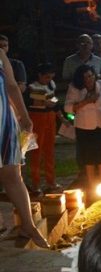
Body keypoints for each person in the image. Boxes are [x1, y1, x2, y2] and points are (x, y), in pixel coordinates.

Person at [0, 49, 48, 248]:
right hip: (4, 119)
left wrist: (25, 117)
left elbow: (12, 86)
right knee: (12, 175)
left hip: (4, 121)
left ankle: (28, 225)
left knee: (13, 174)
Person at [64, 64, 101, 191]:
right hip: (84, 127)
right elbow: (68, 108)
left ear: (94, 75)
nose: (88, 79)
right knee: (88, 157)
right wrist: (86, 101)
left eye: (90, 76)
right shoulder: (75, 88)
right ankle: (92, 185)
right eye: (85, 77)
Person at [24, 62, 60, 194]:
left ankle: (51, 181)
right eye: (46, 77)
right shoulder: (32, 87)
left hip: (49, 118)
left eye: (51, 77)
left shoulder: (51, 84)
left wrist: (52, 105)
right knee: (36, 152)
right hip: (37, 119)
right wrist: (47, 101)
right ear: (39, 75)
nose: (49, 80)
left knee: (49, 151)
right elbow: (39, 101)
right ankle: (36, 183)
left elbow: (53, 100)